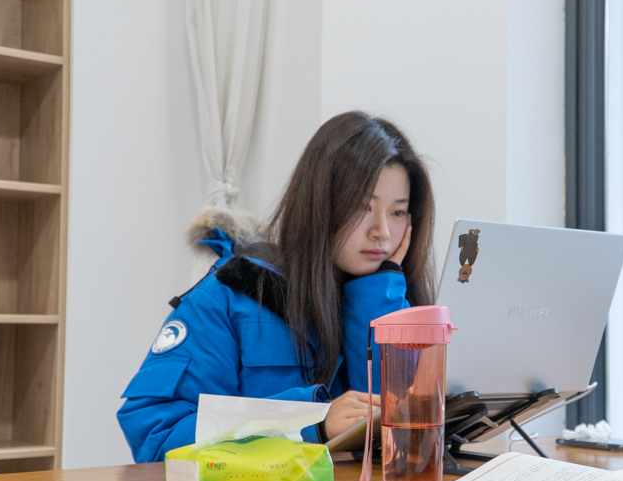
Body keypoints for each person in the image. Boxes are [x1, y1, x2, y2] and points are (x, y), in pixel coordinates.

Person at [117, 111, 436, 462]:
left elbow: (399, 447)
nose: (382, 232)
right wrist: (309, 422)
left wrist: (377, 294)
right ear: (320, 205)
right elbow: (157, 437)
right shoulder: (233, 294)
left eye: (398, 212)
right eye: (363, 208)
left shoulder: (395, 299)